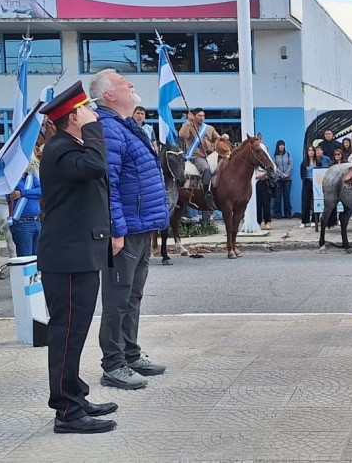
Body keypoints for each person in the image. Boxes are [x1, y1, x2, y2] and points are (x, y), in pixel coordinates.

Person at [37, 80, 117, 433]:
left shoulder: (72, 147)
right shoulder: (61, 149)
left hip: (79, 254)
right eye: (85, 110)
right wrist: (92, 129)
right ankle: (66, 411)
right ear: (73, 117)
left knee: (75, 333)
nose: (92, 113)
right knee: (66, 334)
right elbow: (97, 166)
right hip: (67, 258)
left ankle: (76, 396)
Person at [90, 69, 170, 390]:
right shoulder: (109, 128)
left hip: (141, 226)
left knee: (132, 295)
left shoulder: (126, 125)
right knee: (117, 298)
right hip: (125, 230)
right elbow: (107, 184)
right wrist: (116, 229)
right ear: (109, 95)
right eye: (123, 82)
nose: (130, 83)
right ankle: (113, 364)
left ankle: (130, 354)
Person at [179, 108, 220, 208]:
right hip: (196, 156)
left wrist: (222, 139)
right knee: (205, 169)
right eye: (199, 115)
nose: (202, 118)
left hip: (210, 155)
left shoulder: (209, 128)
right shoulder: (188, 126)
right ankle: (207, 193)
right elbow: (182, 136)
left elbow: (218, 139)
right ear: (194, 116)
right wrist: (188, 122)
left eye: (203, 116)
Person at [7, 166, 42, 257]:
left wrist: (23, 193)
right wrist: (32, 193)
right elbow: (12, 195)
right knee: (25, 257)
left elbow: (41, 191)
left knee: (38, 257)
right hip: (22, 222)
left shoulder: (32, 176)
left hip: (37, 221)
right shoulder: (11, 179)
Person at [272, 140, 293, 219]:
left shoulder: (288, 154)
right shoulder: (275, 156)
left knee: (286, 196)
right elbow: (275, 167)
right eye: (280, 145)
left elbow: (290, 165)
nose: (282, 147)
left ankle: (288, 213)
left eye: (283, 145)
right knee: (278, 197)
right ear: (278, 146)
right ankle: (278, 213)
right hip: (278, 179)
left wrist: (286, 174)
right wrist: (281, 174)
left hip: (287, 179)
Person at [300, 146, 318, 229]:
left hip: (316, 183)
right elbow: (302, 175)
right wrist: (305, 181)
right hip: (307, 183)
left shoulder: (318, 162)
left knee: (315, 202)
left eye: (312, 150)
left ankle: (314, 220)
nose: (311, 152)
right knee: (305, 202)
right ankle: (304, 221)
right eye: (309, 150)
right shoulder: (304, 163)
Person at [255, 165, 273, 230]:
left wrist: (265, 175)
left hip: (265, 183)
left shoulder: (265, 164)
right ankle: (258, 222)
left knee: (266, 204)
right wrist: (258, 177)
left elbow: (272, 170)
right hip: (256, 184)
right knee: (257, 204)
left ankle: (267, 222)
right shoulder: (253, 164)